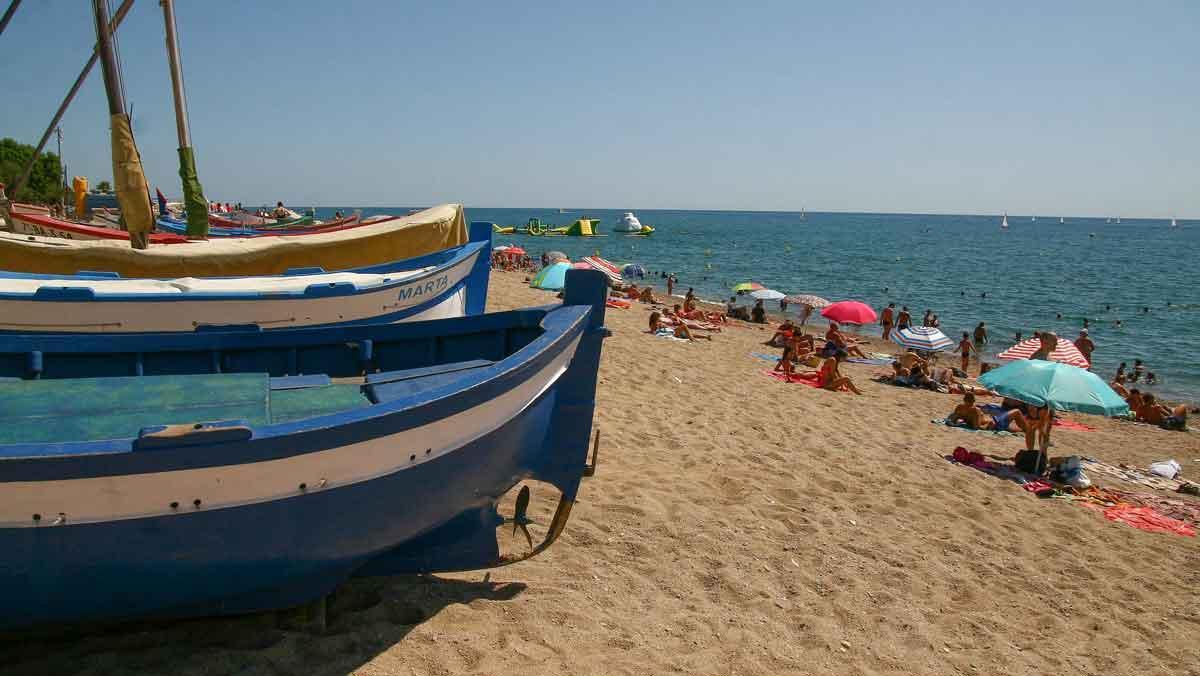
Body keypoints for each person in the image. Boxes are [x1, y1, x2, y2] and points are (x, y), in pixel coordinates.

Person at [949, 392, 1030, 434]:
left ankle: (1023, 430)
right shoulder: (975, 410)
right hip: (995, 423)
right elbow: (976, 426)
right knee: (1017, 412)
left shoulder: (960, 407)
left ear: (964, 400)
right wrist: (988, 426)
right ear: (973, 401)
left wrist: (958, 422)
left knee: (1010, 427)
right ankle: (1028, 431)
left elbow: (952, 417)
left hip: (993, 421)